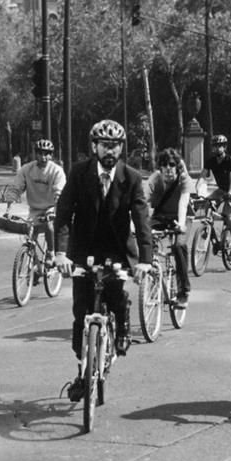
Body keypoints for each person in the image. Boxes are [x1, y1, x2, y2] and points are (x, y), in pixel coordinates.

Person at [53, 119, 153, 402]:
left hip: (118, 249)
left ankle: (122, 327)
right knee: (80, 311)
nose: (110, 151)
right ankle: (82, 372)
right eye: (105, 145)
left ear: (122, 148)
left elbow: (141, 219)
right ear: (94, 147)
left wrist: (145, 259)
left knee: (117, 295)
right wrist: (60, 253)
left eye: (116, 146)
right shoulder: (78, 173)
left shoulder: (132, 178)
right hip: (83, 249)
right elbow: (63, 214)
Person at [146, 148, 193, 308]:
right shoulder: (155, 179)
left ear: (177, 166)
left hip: (182, 217)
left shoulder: (183, 179)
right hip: (161, 216)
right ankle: (152, 284)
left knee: (179, 245)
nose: (168, 168)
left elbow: (183, 203)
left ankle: (183, 292)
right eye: (164, 165)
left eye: (171, 164)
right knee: (145, 239)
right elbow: (142, 203)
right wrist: (135, 225)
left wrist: (180, 224)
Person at [4, 138, 66, 258]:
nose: (43, 158)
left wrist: (56, 211)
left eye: (47, 154)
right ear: (35, 154)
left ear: (51, 155)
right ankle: (34, 265)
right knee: (31, 237)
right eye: (40, 153)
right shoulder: (27, 169)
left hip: (51, 207)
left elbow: (59, 192)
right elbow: (16, 188)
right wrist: (8, 209)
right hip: (35, 208)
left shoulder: (56, 171)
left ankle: (50, 253)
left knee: (49, 225)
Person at [197, 134, 231, 260]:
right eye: (215, 146)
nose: (217, 148)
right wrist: (197, 189)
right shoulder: (211, 161)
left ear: (225, 147)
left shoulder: (230, 160)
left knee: (230, 218)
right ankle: (214, 239)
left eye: (220, 146)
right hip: (221, 191)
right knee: (207, 206)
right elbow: (202, 176)